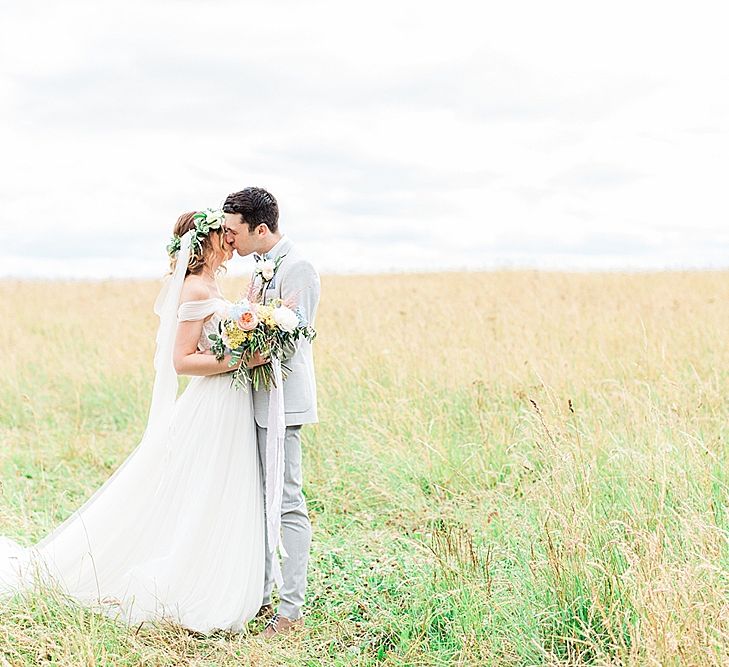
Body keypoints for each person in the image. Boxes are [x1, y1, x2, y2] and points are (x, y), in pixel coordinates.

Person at [0, 210, 265, 634]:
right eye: (223, 232)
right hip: (213, 403)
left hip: (229, 402)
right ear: (206, 240)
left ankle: (211, 561)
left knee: (216, 486)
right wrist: (241, 359)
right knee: (201, 485)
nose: (231, 238)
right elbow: (182, 360)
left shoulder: (213, 283)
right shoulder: (196, 287)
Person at [223, 187, 320, 637]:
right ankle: (261, 594)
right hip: (255, 398)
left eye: (234, 230)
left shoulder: (298, 266)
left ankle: (290, 610)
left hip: (282, 401)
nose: (230, 240)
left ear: (260, 229)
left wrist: (251, 336)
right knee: (258, 499)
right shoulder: (260, 269)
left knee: (286, 502)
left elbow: (295, 335)